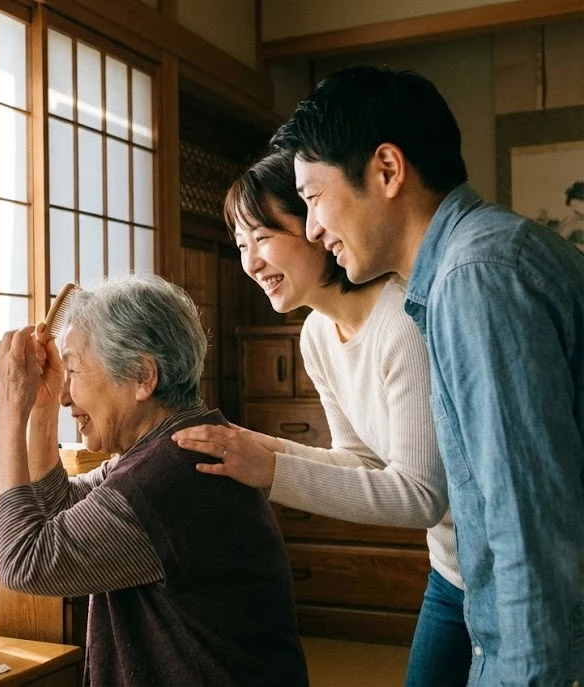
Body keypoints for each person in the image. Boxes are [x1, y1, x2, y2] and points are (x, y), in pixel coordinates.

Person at [271, 65, 584, 686]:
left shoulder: (477, 278)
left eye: (312, 197)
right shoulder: (468, 266)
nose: (312, 229)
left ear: (387, 170)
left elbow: (528, 526)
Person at [172, 151, 467, 686]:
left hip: (500, 568)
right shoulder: (316, 335)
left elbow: (423, 495)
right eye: (241, 246)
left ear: (314, 225)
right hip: (451, 567)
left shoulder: (402, 322)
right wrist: (260, 446)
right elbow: (358, 459)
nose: (251, 262)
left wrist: (269, 469)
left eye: (262, 237)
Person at [0, 274, 308, 686]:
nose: (67, 396)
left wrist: (11, 408)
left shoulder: (168, 477)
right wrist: (42, 408)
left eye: (74, 372)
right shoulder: (174, 449)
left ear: (142, 376)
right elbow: (61, 506)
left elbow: (22, 562)